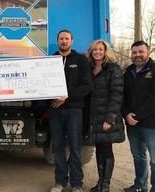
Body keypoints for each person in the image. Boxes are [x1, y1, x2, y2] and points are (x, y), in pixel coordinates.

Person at [48, 29, 92, 192]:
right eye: (61, 39)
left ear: (71, 41)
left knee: (74, 147)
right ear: (57, 41)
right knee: (57, 147)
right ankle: (60, 182)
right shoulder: (50, 61)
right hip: (54, 111)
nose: (64, 41)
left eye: (67, 39)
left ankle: (76, 184)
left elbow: (87, 85)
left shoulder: (81, 60)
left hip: (74, 110)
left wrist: (65, 97)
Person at [86, 40, 125, 192]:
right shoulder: (90, 69)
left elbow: (117, 95)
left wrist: (110, 118)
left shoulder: (113, 69)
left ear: (105, 51)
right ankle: (100, 183)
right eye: (95, 50)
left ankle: (106, 186)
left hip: (107, 117)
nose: (97, 52)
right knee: (99, 148)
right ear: (91, 52)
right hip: (94, 116)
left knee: (106, 149)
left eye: (100, 50)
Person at [122, 40, 155, 192]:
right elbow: (122, 97)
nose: (137, 55)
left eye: (141, 52)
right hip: (132, 124)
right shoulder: (128, 72)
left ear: (148, 52)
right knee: (138, 156)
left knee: (154, 159)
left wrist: (137, 116)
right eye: (134, 52)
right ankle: (140, 185)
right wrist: (127, 114)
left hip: (151, 124)